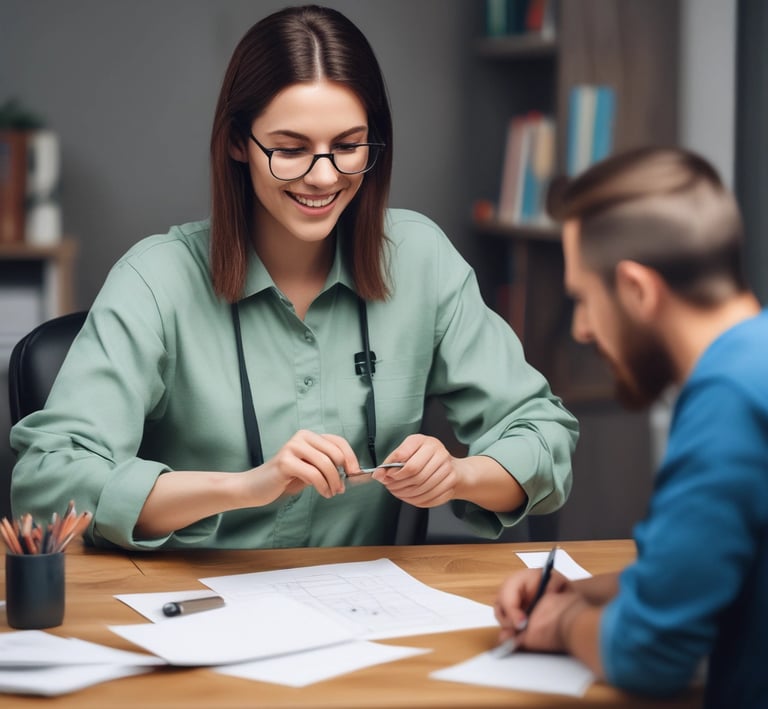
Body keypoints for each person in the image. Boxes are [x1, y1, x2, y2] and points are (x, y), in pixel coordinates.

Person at [10, 5, 577, 551]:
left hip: (362, 618)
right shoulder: (154, 280)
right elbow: (47, 485)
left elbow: (545, 437)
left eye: (349, 146)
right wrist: (243, 488)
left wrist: (458, 475)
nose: (324, 176)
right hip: (190, 615)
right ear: (238, 142)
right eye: (290, 149)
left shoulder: (420, 258)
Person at [494, 147, 768, 706]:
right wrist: (587, 593)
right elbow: (703, 570)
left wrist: (564, 622)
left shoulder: (729, 405)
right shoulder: (752, 365)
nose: (583, 329)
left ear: (638, 290)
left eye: (584, 300)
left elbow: (649, 653)